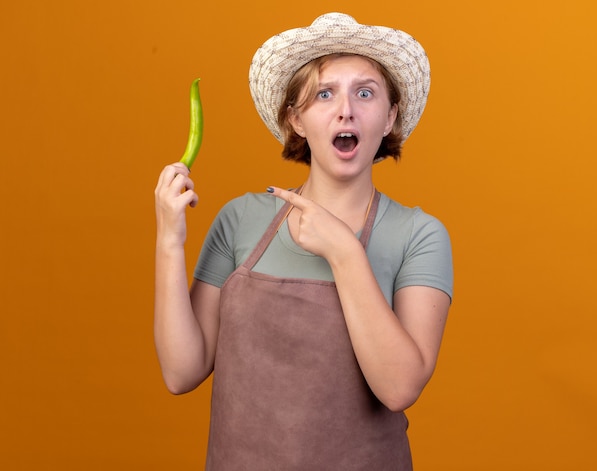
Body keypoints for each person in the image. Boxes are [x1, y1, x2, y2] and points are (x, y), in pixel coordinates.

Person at [154, 12, 453, 470]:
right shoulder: (240, 219)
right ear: (296, 119)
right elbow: (181, 372)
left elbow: (398, 389)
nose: (345, 109)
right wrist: (169, 242)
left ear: (390, 115)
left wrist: (345, 253)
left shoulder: (419, 234)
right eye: (324, 93)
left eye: (366, 93)